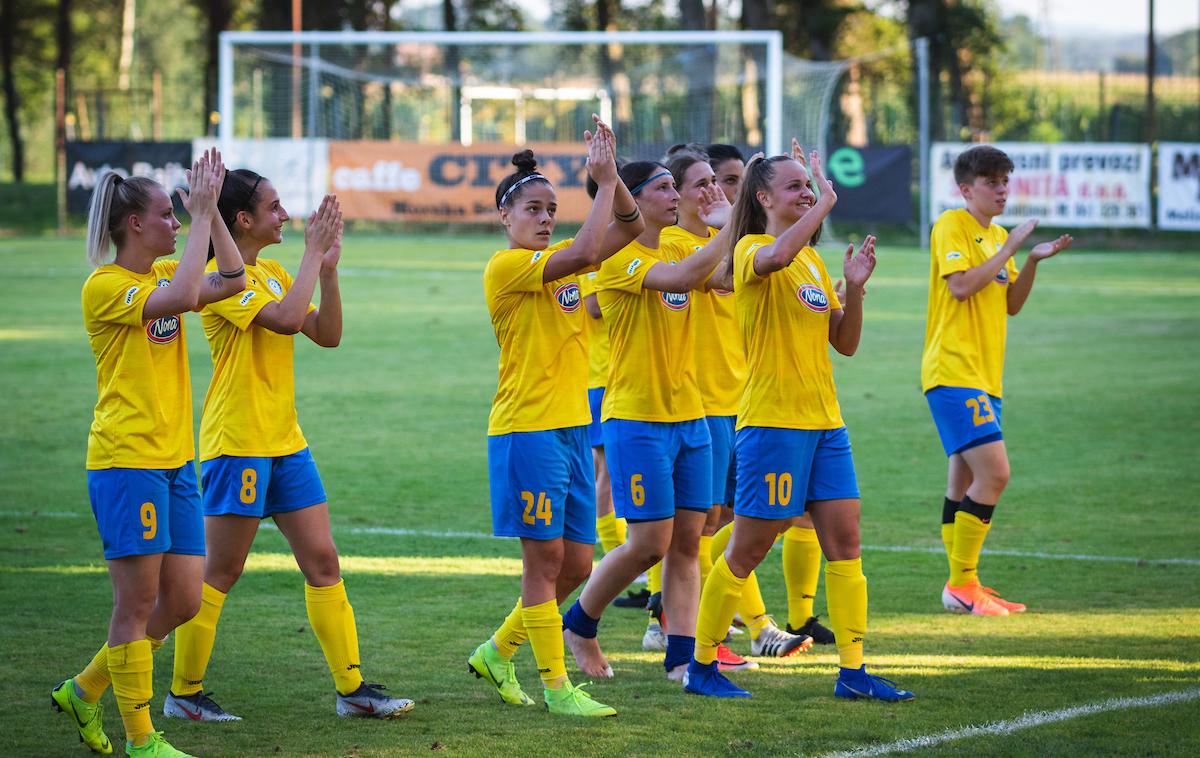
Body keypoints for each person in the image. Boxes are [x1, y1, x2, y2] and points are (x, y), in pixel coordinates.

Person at [163, 173, 414, 721]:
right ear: (244, 221)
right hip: (240, 443)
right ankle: (184, 693)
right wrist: (312, 254)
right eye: (273, 207)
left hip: (286, 442)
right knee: (221, 574)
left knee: (323, 561)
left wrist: (327, 272)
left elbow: (326, 332)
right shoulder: (219, 279)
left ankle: (353, 691)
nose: (285, 215)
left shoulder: (274, 271)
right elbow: (281, 320)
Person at [686, 146, 913, 702]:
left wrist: (854, 287)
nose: (807, 193)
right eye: (795, 187)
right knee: (747, 549)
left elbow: (846, 343)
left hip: (825, 425)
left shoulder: (811, 261)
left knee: (847, 543)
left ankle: (854, 673)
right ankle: (700, 665)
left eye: (809, 187)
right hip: (773, 426)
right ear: (762, 199)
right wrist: (826, 205)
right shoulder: (750, 250)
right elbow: (775, 257)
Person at [52, 150, 246, 758]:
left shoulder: (161, 279)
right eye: (168, 215)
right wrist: (208, 209)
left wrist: (211, 219)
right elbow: (190, 293)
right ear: (133, 225)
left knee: (184, 599)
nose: (176, 224)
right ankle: (141, 738)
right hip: (125, 461)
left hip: (173, 462)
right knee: (135, 604)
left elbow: (233, 278)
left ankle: (85, 691)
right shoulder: (106, 286)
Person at [467, 116, 643, 718]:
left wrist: (611, 179)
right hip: (526, 430)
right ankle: (556, 686)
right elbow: (594, 246)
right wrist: (601, 177)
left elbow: (631, 225)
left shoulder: (565, 264)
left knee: (577, 564)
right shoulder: (505, 265)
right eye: (533, 209)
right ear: (506, 217)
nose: (545, 218)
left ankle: (497, 651)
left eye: (552, 208)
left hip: (569, 429)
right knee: (543, 565)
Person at [559, 159, 734, 684]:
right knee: (649, 545)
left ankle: (682, 659)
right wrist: (732, 224)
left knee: (687, 544)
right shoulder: (618, 258)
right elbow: (682, 278)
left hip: (692, 418)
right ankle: (580, 623)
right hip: (637, 419)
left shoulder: (682, 243)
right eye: (662, 187)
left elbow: (726, 278)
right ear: (630, 200)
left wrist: (738, 228)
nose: (675, 195)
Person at [923, 145, 1072, 616]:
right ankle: (962, 583)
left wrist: (1029, 262)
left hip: (985, 378)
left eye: (1005, 180)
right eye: (992, 181)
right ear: (966, 189)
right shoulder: (952, 225)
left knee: (963, 478)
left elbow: (1010, 304)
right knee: (996, 473)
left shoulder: (999, 236)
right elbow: (962, 286)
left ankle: (962, 586)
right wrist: (1009, 249)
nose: (1002, 189)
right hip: (953, 371)